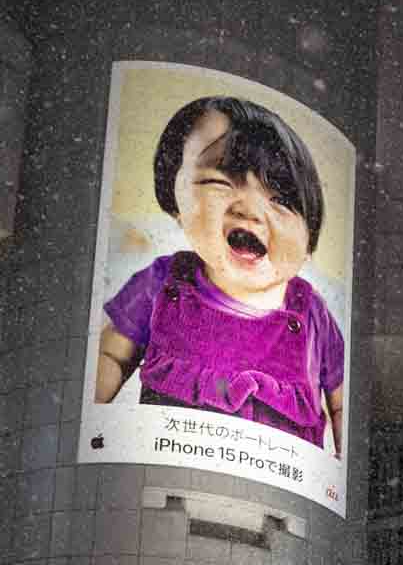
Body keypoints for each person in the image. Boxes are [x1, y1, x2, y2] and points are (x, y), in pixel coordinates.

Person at [94, 96, 347, 459]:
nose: (250, 209)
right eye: (220, 181)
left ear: (309, 242)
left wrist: (337, 472)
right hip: (172, 458)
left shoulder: (313, 315)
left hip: (276, 477)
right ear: (175, 201)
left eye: (282, 200)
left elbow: (340, 404)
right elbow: (112, 356)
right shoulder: (162, 283)